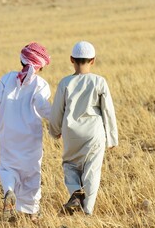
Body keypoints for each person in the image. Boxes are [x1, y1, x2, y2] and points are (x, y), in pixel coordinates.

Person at [49, 41, 118, 215]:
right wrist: (112, 137)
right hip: (94, 133)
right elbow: (107, 111)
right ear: (93, 60)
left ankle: (75, 192)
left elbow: (57, 109)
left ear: (71, 59)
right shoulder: (99, 81)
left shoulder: (65, 83)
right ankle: (88, 211)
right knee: (92, 171)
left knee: (70, 165)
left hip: (71, 132)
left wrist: (54, 130)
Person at [0, 42, 51, 223]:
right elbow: (44, 108)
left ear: (21, 60)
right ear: (41, 66)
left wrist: (1, 118)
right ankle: (33, 213)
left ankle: (9, 191)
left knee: (8, 167)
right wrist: (58, 124)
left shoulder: (7, 78)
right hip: (30, 136)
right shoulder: (40, 84)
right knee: (32, 172)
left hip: (7, 132)